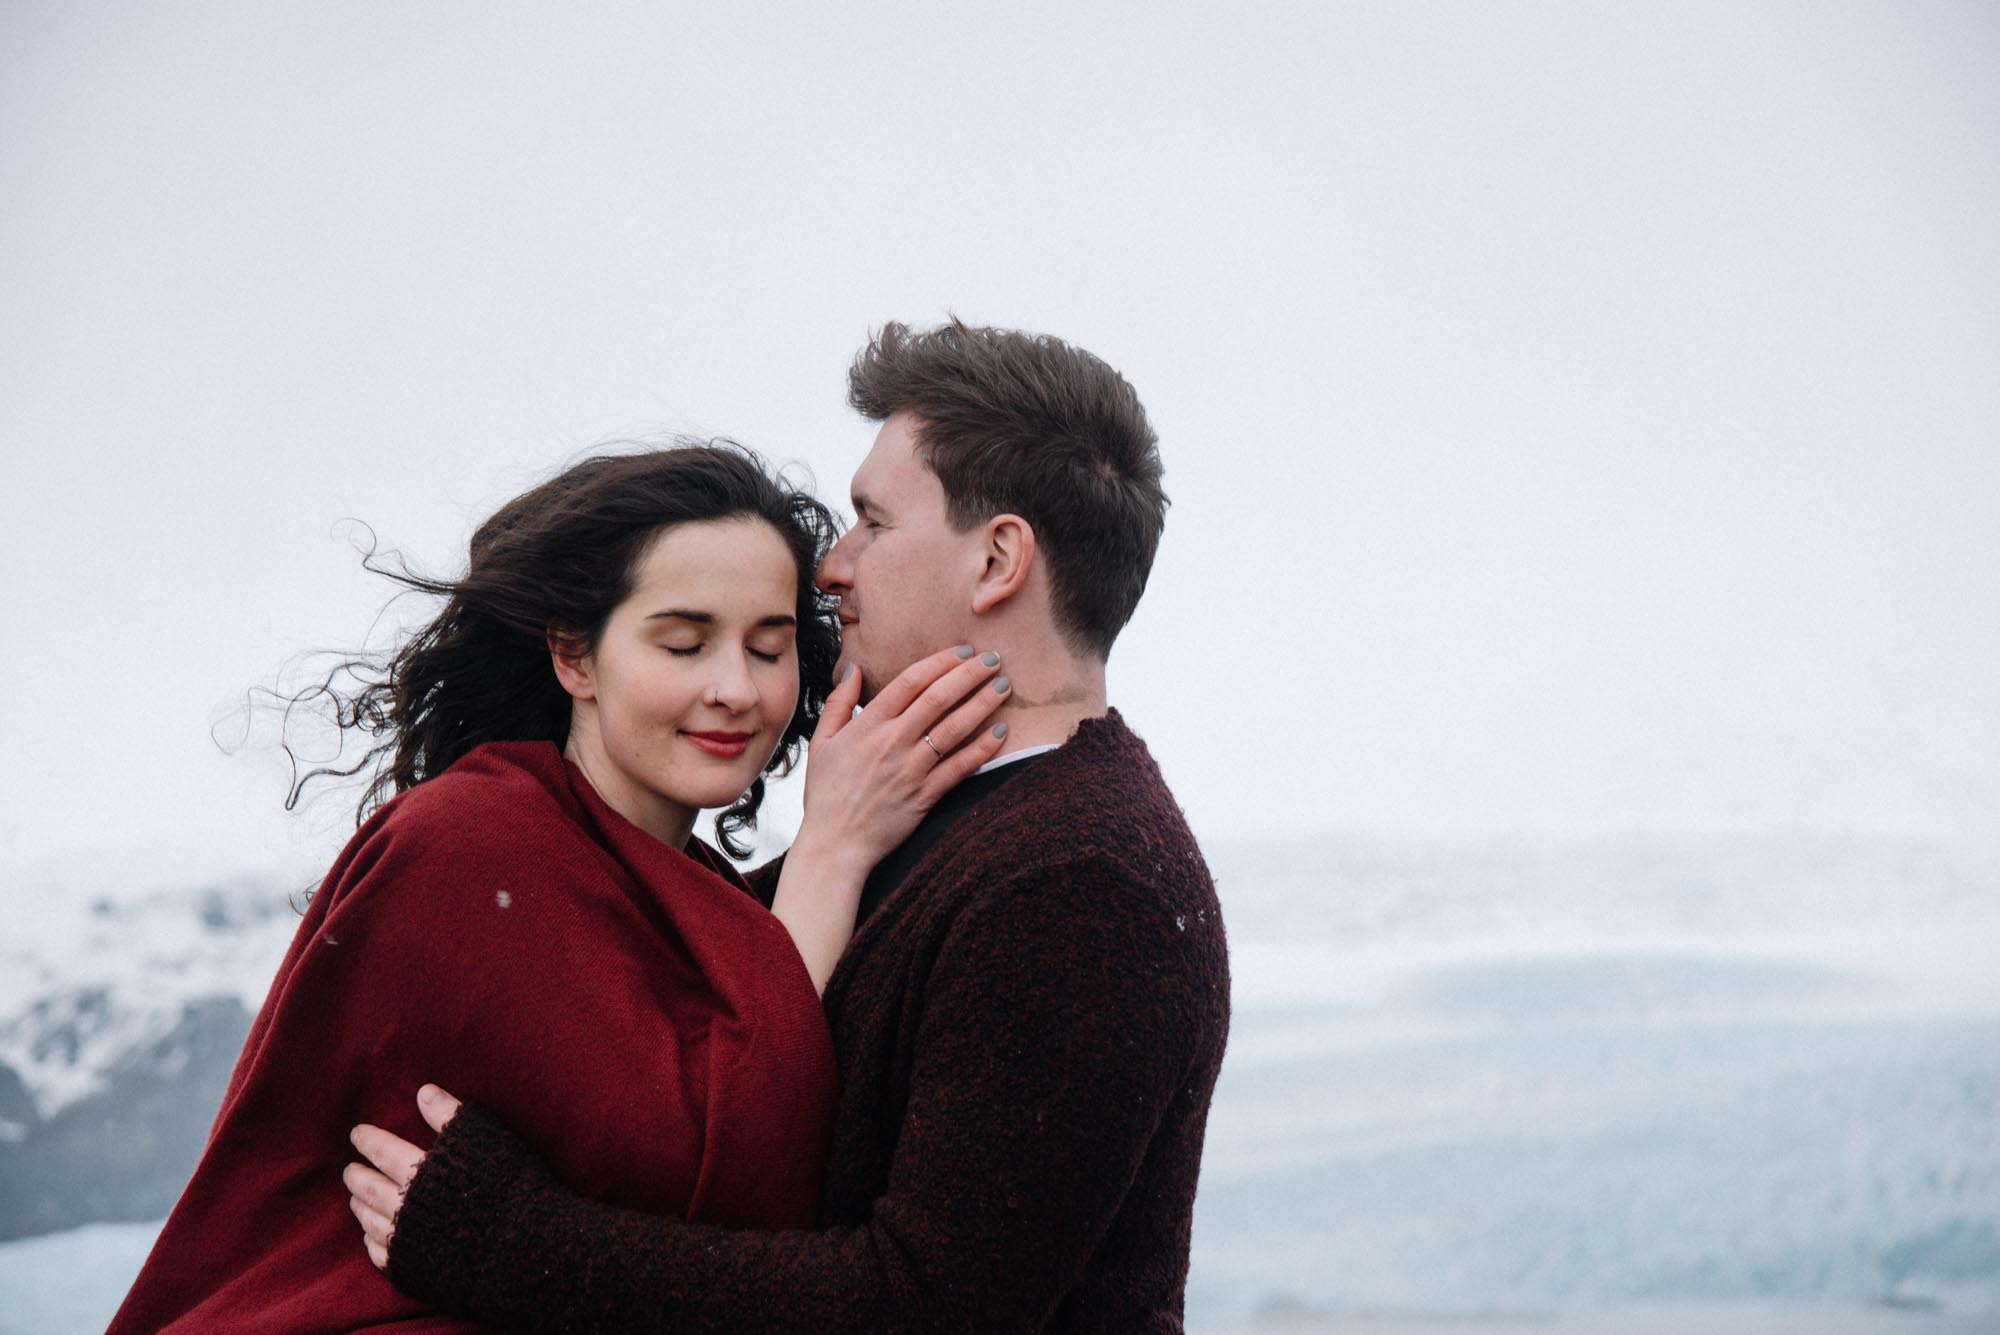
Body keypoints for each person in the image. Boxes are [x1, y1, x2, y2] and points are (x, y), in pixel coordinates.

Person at [344, 320, 1233, 1332]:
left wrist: (514, 1245)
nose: (831, 568)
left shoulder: (1081, 882)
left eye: (872, 523)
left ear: (997, 560)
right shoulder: (932, 825)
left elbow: (924, 1308)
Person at [108, 444, 1012, 1332]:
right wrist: (833, 850)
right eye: (685, 643)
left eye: (769, 648)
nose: (736, 688)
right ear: (574, 657)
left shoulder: (696, 891)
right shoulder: (468, 845)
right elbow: (722, 1174)